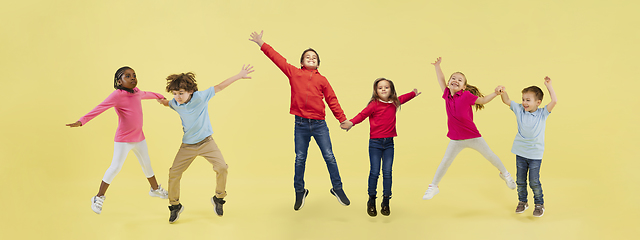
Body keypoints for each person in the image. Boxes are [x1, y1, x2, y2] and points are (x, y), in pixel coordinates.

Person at [249, 30, 351, 210]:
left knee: (329, 156)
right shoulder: (294, 73)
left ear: (318, 63)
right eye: (307, 57)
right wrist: (261, 43)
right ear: (302, 62)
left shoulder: (323, 81)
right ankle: (299, 191)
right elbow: (277, 59)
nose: (311, 58)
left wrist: (342, 119)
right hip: (301, 124)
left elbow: (332, 100)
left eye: (314, 57)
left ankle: (337, 188)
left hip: (319, 125)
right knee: (300, 158)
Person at [157, 65, 254, 223]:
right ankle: (175, 206)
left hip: (206, 142)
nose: (178, 97)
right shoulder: (176, 103)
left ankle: (219, 198)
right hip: (187, 146)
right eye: (175, 94)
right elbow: (169, 103)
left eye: (181, 93)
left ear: (190, 91)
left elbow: (220, 86)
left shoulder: (201, 97)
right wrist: (163, 101)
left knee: (222, 167)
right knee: (174, 173)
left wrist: (239, 75)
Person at [66, 66, 169, 214]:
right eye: (127, 76)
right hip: (124, 140)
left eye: (134, 75)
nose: (133, 78)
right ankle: (98, 196)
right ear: (119, 81)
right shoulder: (117, 95)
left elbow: (147, 94)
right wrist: (81, 121)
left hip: (139, 137)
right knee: (115, 167)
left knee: (146, 164)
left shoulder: (137, 91)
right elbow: (99, 108)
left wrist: (160, 96)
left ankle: (154, 189)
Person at [422, 57, 516, 200]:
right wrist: (437, 66)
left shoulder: (466, 95)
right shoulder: (447, 94)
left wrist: (496, 93)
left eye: (459, 80)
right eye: (453, 78)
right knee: (446, 161)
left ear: (464, 87)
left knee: (490, 155)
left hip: (472, 136)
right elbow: (441, 79)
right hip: (456, 138)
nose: (455, 80)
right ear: (449, 83)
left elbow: (483, 100)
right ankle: (433, 187)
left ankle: (505, 174)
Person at [342, 78, 420, 217]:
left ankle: (386, 201)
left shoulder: (394, 102)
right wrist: (351, 123)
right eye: (380, 88)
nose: (383, 89)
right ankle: (371, 200)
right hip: (375, 144)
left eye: (386, 87)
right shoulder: (374, 104)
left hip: (389, 143)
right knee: (374, 172)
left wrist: (413, 93)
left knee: (388, 172)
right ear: (376, 91)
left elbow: (404, 98)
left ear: (391, 90)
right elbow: (362, 115)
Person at [498, 76, 557, 217]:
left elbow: (554, 101)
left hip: (535, 154)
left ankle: (539, 204)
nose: (524, 102)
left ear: (538, 102)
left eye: (528, 100)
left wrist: (548, 85)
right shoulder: (519, 109)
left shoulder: (543, 113)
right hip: (520, 152)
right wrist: (502, 92)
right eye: (523, 99)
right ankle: (522, 202)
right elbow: (506, 100)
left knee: (534, 181)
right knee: (520, 180)